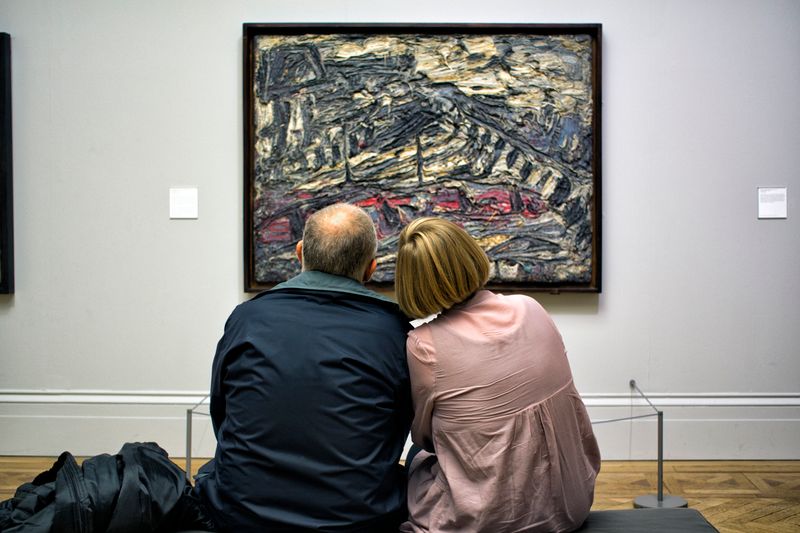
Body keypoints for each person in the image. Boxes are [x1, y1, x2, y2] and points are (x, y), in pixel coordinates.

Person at [194, 203, 413, 532]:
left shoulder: (247, 318)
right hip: (356, 520)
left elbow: (221, 412)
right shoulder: (395, 332)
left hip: (242, 515)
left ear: (299, 253)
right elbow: (400, 427)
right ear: (370, 269)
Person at [395, 217, 601, 533]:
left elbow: (424, 436)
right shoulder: (531, 307)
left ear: (412, 281)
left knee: (414, 458)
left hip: (487, 522)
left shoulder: (424, 345)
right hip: (570, 504)